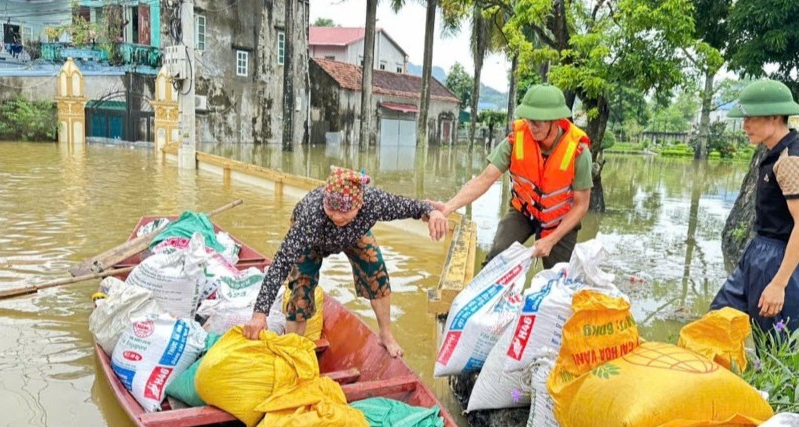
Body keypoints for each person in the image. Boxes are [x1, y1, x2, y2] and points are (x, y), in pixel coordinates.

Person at [242, 166, 448, 357]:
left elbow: (410, 206)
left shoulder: (374, 202)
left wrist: (431, 212)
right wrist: (260, 313)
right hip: (312, 241)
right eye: (332, 210)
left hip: (354, 235)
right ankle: (294, 350)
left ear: (359, 204)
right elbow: (281, 263)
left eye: (345, 211)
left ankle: (386, 334)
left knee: (376, 269)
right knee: (300, 291)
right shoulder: (311, 215)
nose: (338, 217)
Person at [433, 83, 593, 269]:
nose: (531, 126)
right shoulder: (516, 140)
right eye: (528, 119)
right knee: (497, 257)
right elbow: (484, 180)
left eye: (537, 121)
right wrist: (447, 207)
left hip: (560, 220)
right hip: (524, 212)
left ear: (555, 120)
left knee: (559, 276)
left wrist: (551, 240)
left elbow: (581, 205)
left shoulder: (578, 151)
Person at [711, 79, 799, 336]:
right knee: (716, 322)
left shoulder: (791, 160)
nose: (744, 126)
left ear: (774, 116)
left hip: (779, 258)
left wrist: (779, 283)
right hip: (757, 251)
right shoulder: (773, 154)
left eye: (750, 118)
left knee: (773, 348)